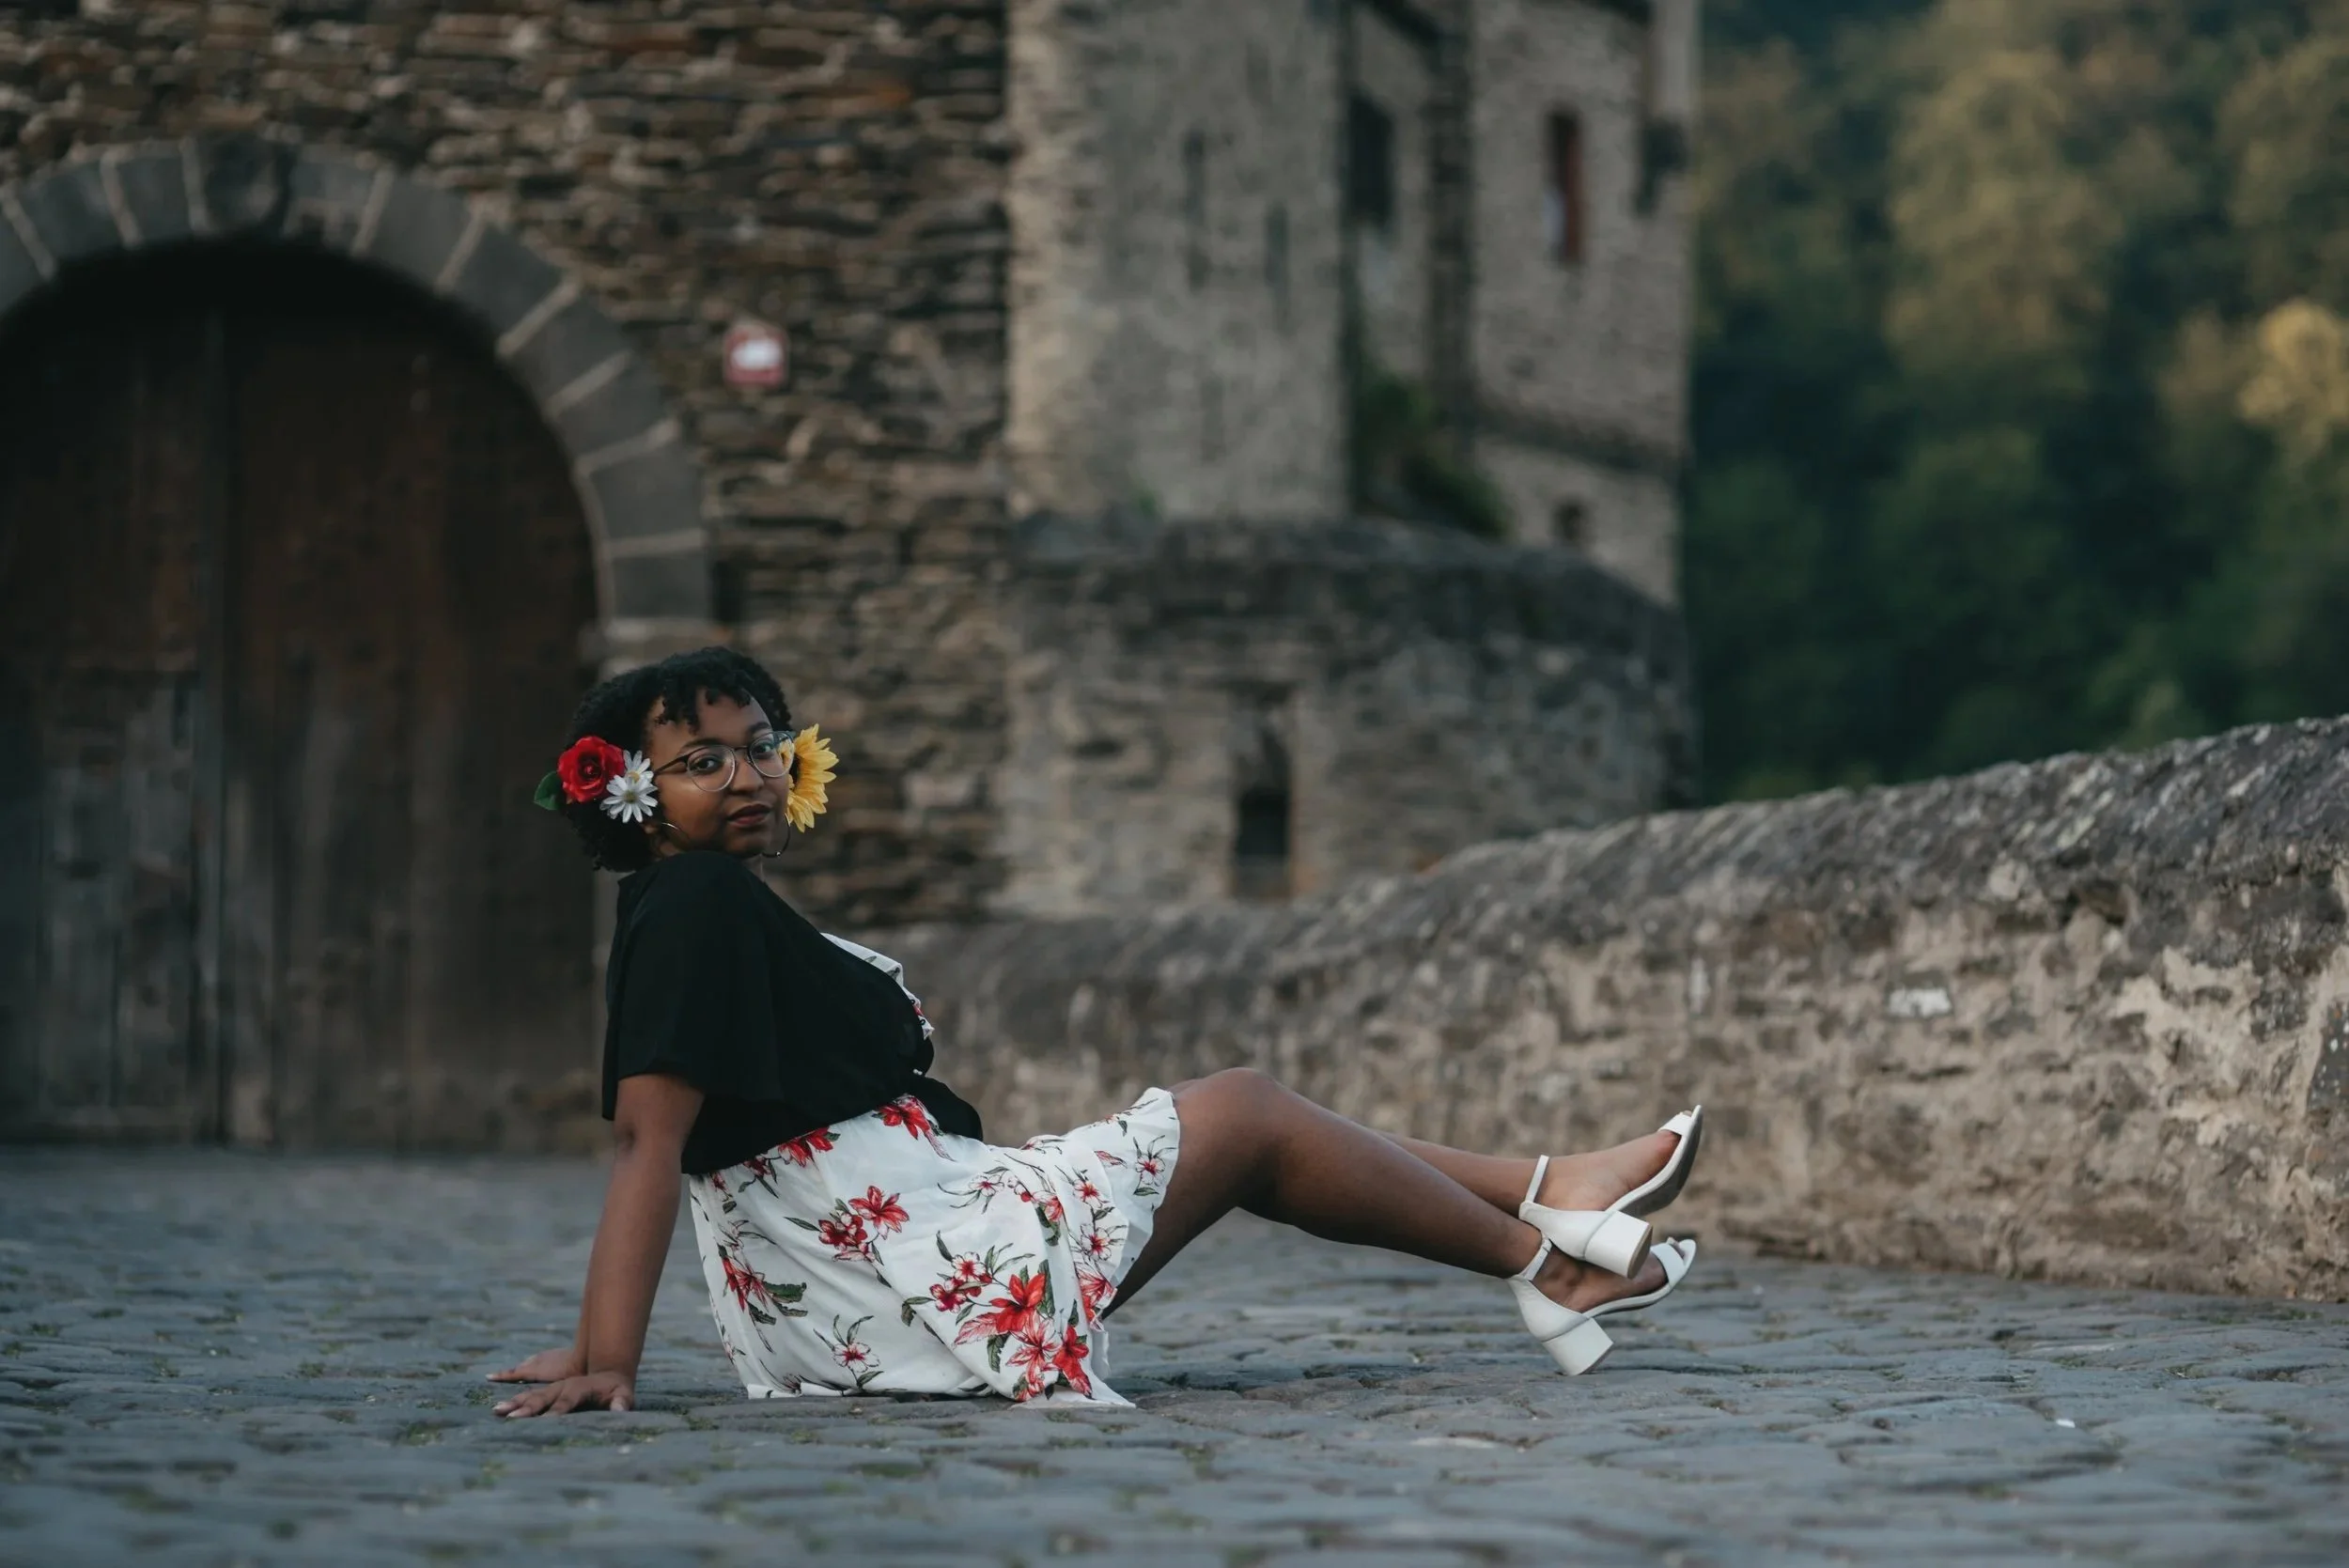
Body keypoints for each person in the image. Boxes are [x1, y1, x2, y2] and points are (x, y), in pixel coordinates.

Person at [488, 648, 1703, 1416]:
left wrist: (597, 1341)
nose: (747, 777)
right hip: (902, 1277)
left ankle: (1554, 1193)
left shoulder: (711, 906)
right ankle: (1551, 1266)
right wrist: (610, 1359)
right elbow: (652, 1142)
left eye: (761, 747)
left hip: (894, 1258)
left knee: (1249, 1120)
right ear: (637, 803)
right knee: (1246, 1112)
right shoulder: (691, 901)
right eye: (701, 761)